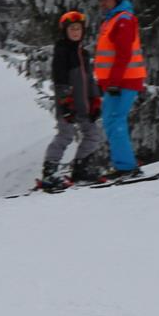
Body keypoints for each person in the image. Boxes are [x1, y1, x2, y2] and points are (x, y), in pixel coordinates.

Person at [41, 10, 105, 189]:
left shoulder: (83, 53)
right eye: (72, 29)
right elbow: (60, 79)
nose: (76, 32)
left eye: (78, 28)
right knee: (65, 135)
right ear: (65, 31)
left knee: (93, 135)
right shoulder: (62, 51)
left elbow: (89, 79)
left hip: (84, 104)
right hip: (67, 104)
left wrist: (95, 100)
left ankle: (80, 169)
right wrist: (65, 102)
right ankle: (49, 172)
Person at [91, 0, 146, 179]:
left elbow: (124, 53)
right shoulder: (111, 20)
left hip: (124, 80)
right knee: (110, 120)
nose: (102, 2)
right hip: (115, 82)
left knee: (115, 120)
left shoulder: (124, 19)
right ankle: (124, 164)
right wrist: (104, 82)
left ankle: (127, 167)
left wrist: (113, 81)